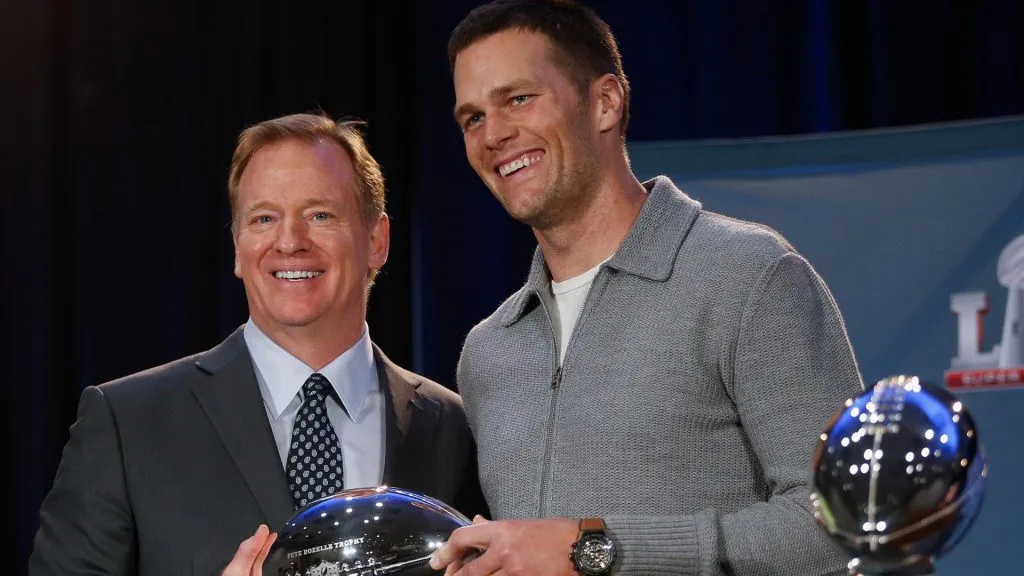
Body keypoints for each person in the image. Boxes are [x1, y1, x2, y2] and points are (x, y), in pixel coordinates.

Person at [430, 1, 864, 575]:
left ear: (605, 102)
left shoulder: (747, 275)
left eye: (518, 99)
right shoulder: (489, 352)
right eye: (472, 119)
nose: (495, 135)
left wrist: (594, 550)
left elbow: (847, 524)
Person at [29, 112, 484, 576]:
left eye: (320, 214)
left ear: (377, 240)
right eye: (264, 218)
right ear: (237, 247)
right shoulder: (127, 423)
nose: (289, 242)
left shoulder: (455, 428)